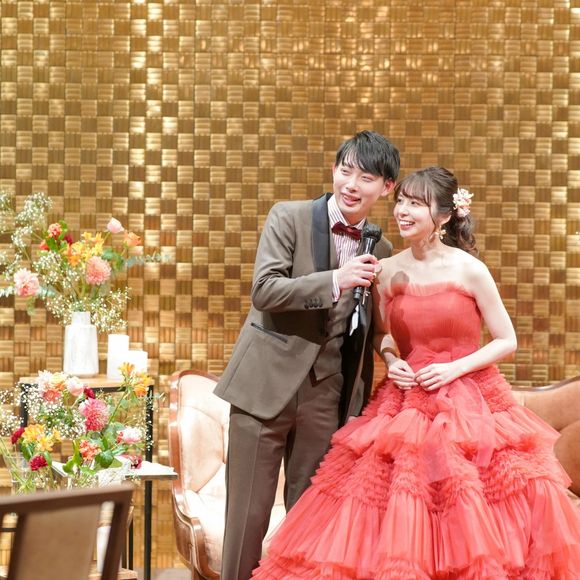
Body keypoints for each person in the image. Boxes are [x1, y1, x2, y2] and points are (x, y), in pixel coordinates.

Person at [252, 166, 580, 578]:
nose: (403, 212)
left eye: (416, 204)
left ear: (443, 215)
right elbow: (382, 334)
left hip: (471, 398)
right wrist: (393, 361)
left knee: (478, 502)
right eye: (401, 202)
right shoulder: (385, 269)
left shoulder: (469, 269)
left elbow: (506, 340)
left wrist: (454, 368)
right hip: (405, 400)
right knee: (394, 502)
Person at [214, 130, 401, 579]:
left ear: (386, 187)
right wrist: (337, 279)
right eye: (345, 171)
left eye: (366, 177)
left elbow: (371, 328)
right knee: (246, 519)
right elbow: (265, 290)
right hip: (265, 387)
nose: (351, 184)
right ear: (334, 169)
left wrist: (389, 361)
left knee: (309, 525)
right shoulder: (289, 217)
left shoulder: (382, 248)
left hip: (327, 395)